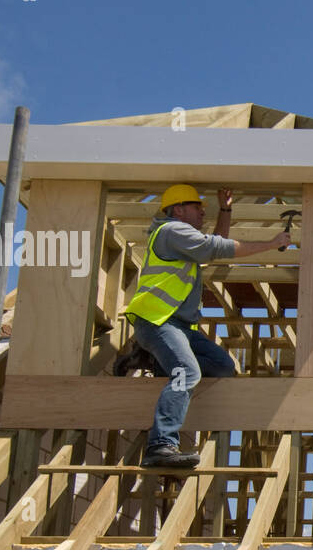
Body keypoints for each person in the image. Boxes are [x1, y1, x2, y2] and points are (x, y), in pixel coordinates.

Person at [124, 184, 290, 468]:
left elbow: (213, 246)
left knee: (223, 366)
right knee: (187, 371)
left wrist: (225, 210)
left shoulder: (182, 240)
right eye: (196, 207)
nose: (203, 211)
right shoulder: (170, 231)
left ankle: (151, 358)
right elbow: (215, 247)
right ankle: (161, 444)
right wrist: (271, 243)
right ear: (178, 210)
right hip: (157, 320)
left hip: (179, 327)